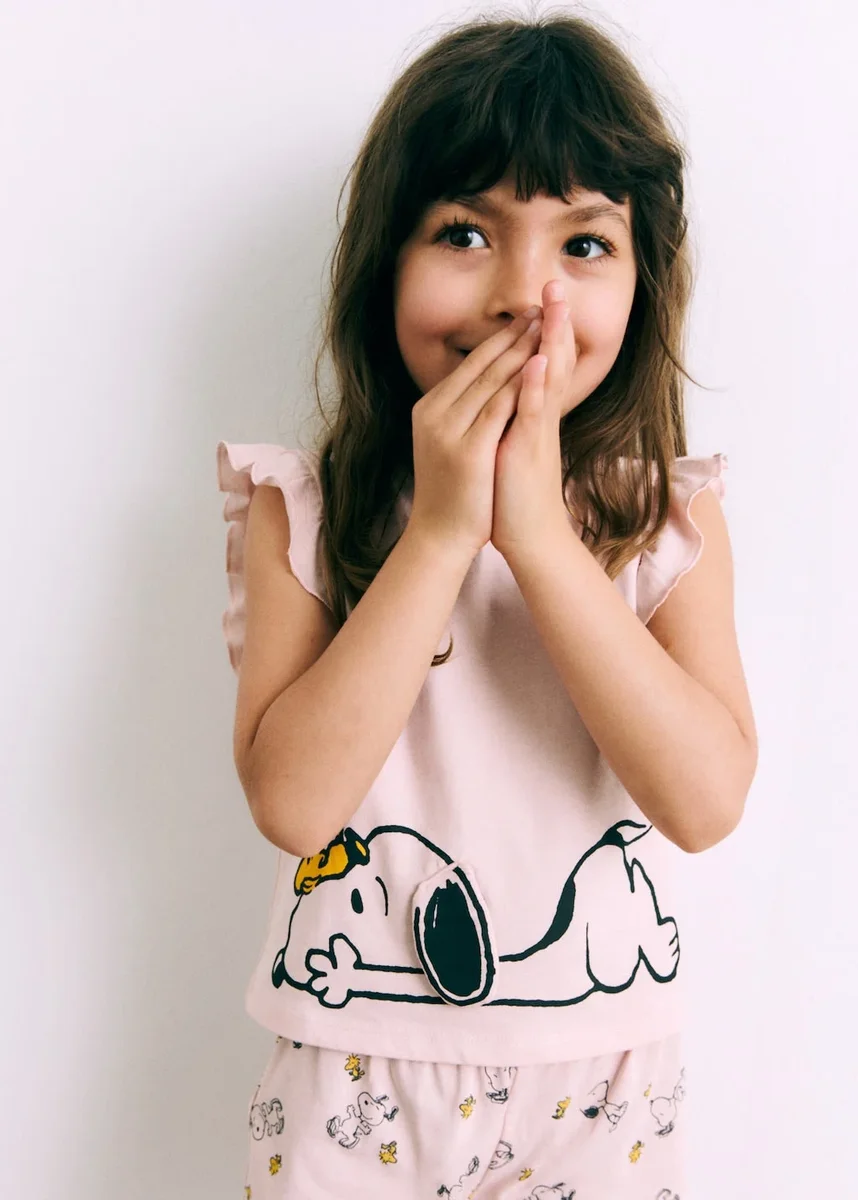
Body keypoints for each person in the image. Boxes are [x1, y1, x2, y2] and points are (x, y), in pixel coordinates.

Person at [216, 12, 757, 1199]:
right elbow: (295, 806)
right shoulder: (305, 509)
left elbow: (706, 800)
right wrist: (444, 532)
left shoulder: (665, 520)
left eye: (584, 243)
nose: (524, 295)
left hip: (601, 1082)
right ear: (384, 263)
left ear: (643, 281)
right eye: (465, 232)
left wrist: (542, 538)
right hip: (354, 1069)